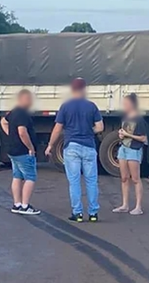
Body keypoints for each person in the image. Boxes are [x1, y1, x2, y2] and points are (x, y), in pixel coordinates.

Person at [45, 78, 104, 222]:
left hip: (71, 146)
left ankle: (77, 213)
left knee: (74, 181)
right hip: (89, 146)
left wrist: (50, 145)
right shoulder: (91, 106)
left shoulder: (65, 106)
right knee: (91, 181)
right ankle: (93, 213)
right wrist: (89, 130)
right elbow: (100, 127)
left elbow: (57, 128)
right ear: (84, 90)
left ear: (72, 90)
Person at [1, 89, 41, 215]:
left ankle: (17, 204)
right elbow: (22, 132)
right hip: (23, 151)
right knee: (30, 177)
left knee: (17, 176)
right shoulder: (23, 114)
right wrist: (31, 148)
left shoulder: (13, 112)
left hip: (13, 150)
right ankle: (25, 206)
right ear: (25, 99)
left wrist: (10, 135)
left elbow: (3, 121)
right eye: (29, 99)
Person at [112, 93, 147, 216]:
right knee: (124, 178)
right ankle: (125, 205)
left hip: (134, 149)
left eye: (126, 103)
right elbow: (124, 132)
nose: (124, 106)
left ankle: (138, 207)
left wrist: (128, 135)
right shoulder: (125, 118)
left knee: (135, 179)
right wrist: (121, 134)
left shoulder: (139, 119)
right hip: (123, 148)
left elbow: (143, 138)